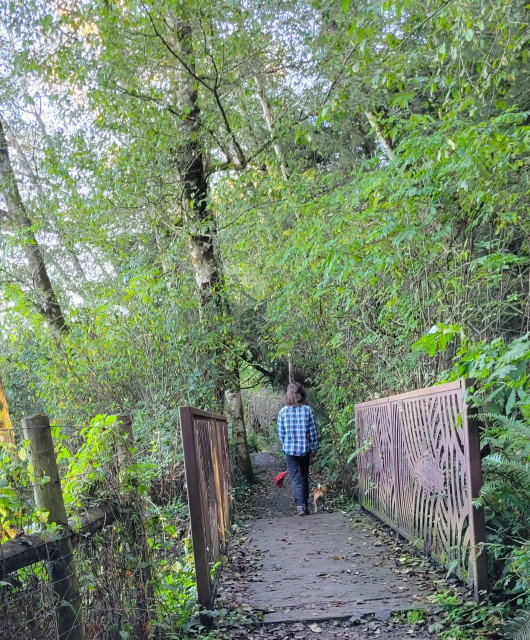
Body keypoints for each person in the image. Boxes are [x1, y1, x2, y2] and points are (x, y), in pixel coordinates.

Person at [276, 382, 318, 516]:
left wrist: (285, 446)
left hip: (290, 450)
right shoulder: (308, 410)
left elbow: (281, 433)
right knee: (304, 477)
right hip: (304, 450)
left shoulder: (282, 412)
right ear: (301, 394)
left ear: (288, 395)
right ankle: (304, 505)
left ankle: (300, 506)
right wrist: (314, 450)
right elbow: (313, 432)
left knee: (294, 478)